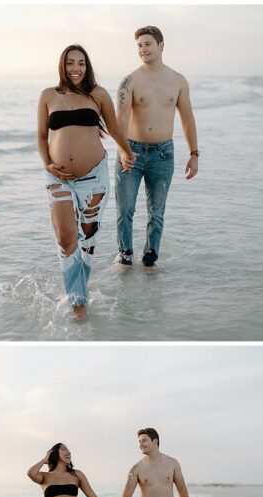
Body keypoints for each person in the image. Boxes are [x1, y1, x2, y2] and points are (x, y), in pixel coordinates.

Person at [37, 45, 136, 320]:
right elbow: (41, 136)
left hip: (94, 176)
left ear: (87, 66)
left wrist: (127, 152)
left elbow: (114, 128)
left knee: (88, 240)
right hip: (58, 178)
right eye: (70, 63)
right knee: (65, 237)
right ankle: (77, 301)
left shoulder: (98, 94)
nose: (76, 69)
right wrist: (47, 164)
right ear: (62, 66)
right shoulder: (48, 95)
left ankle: (78, 290)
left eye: (81, 63)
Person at [114, 26, 199, 268]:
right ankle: (125, 257)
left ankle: (150, 259)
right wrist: (122, 150)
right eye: (139, 45)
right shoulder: (129, 81)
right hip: (131, 151)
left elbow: (187, 119)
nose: (143, 49)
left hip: (163, 154)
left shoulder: (178, 81)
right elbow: (120, 119)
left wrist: (194, 153)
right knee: (125, 210)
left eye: (148, 44)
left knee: (157, 211)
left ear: (161, 46)